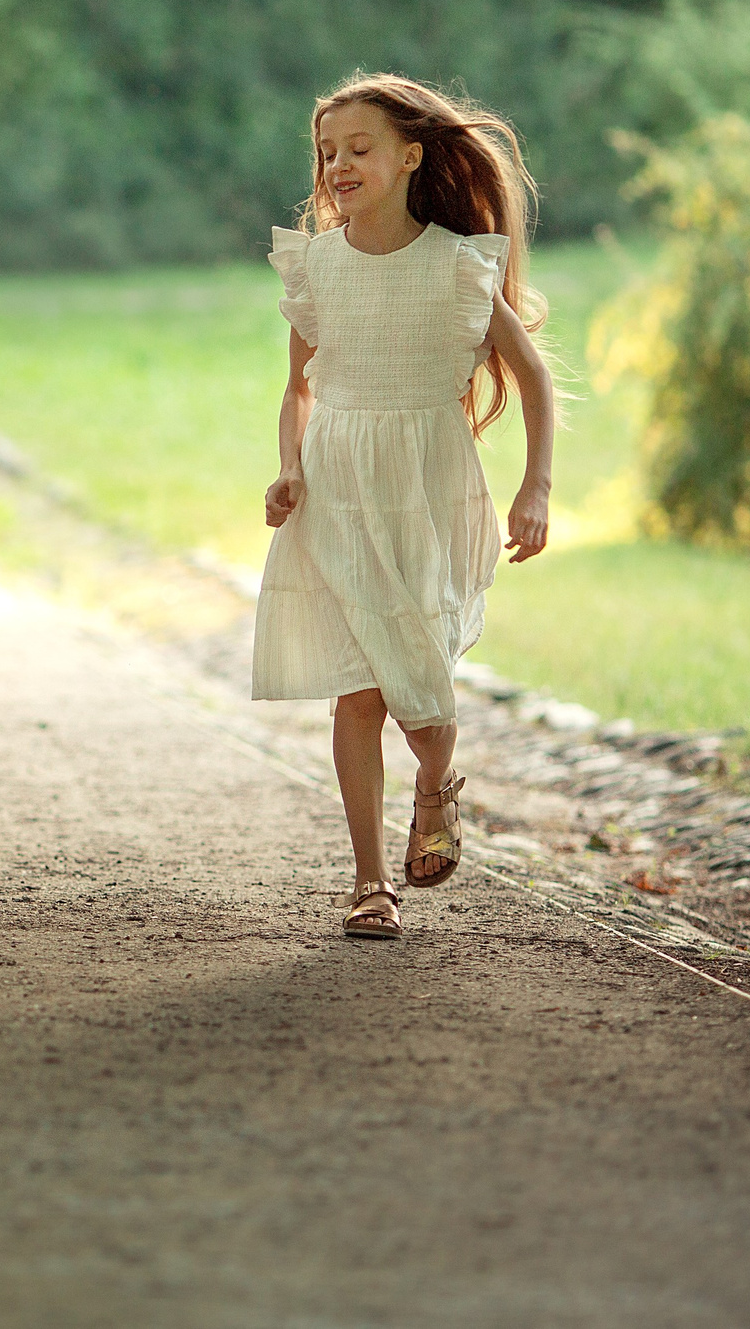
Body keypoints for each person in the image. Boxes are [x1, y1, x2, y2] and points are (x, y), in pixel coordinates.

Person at [251, 73, 558, 941]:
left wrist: (537, 486)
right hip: (338, 489)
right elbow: (297, 391)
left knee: (422, 697)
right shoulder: (315, 265)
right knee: (358, 692)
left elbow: (532, 375)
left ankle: (435, 781)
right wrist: (289, 469)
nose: (339, 166)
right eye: (327, 153)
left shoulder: (459, 265)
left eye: (358, 149)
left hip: (427, 490)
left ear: (409, 155)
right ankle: (369, 881)